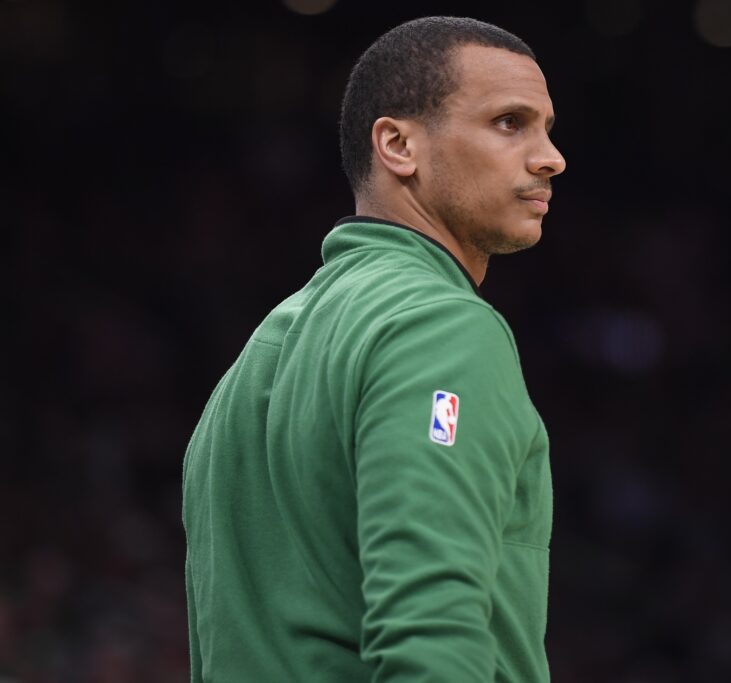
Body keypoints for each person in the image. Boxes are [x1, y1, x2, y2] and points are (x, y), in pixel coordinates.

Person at [181, 15, 566, 682]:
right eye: (510, 122)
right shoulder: (440, 329)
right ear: (397, 145)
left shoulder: (257, 355)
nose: (550, 157)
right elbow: (429, 641)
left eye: (546, 128)